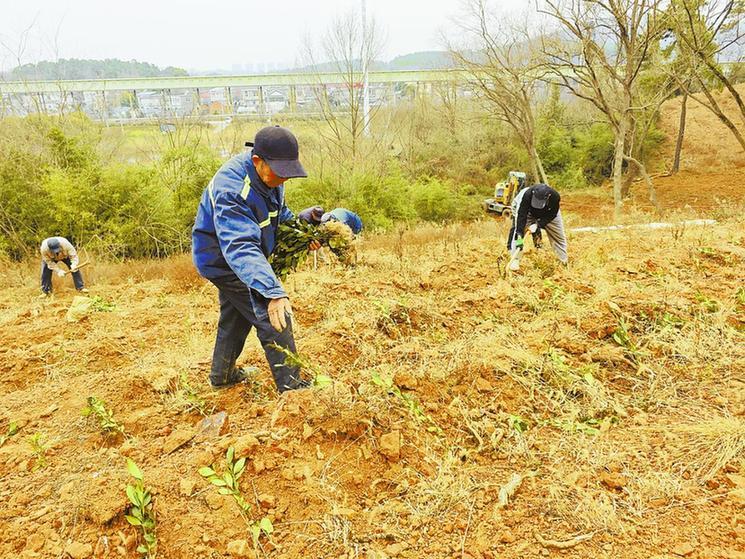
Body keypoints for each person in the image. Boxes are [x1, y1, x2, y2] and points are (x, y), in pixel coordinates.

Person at [192, 126, 320, 392]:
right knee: (273, 314)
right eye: (279, 172)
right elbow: (240, 245)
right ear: (257, 161)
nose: (283, 179)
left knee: (235, 316)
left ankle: (222, 375)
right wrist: (271, 290)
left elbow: (277, 216)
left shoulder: (270, 179)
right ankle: (293, 389)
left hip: (243, 257)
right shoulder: (234, 189)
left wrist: (301, 226)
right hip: (224, 260)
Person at [507, 183, 568, 271]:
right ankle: (515, 260)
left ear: (548, 196)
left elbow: (552, 214)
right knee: (518, 234)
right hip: (528, 212)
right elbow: (521, 216)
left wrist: (538, 224)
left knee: (559, 237)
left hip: (548, 213)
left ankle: (563, 262)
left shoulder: (555, 196)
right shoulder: (527, 195)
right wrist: (520, 237)